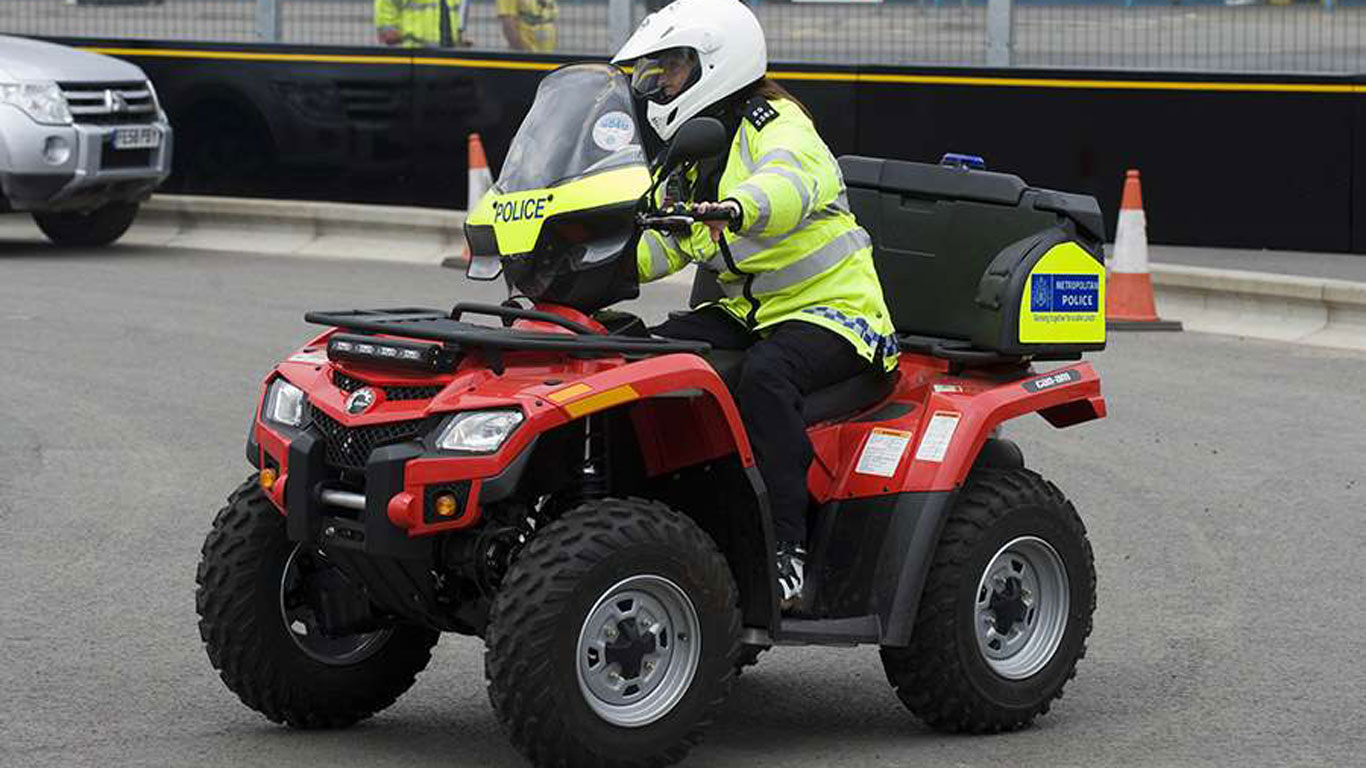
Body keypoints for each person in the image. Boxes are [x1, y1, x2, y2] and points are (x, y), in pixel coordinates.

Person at [612, 0, 899, 612]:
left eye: (670, 69)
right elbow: (664, 243)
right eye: (655, 73)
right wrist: (588, 264)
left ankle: (787, 553)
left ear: (714, 65)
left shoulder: (780, 125)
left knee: (768, 378)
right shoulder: (695, 151)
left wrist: (742, 206)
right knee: (646, 353)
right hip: (754, 314)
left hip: (837, 316)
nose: (659, 84)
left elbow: (789, 183)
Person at [374, 0, 463, 48]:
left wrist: (457, 40)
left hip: (446, 54)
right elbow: (386, 5)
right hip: (411, 54)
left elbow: (455, 13)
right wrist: (388, 29)